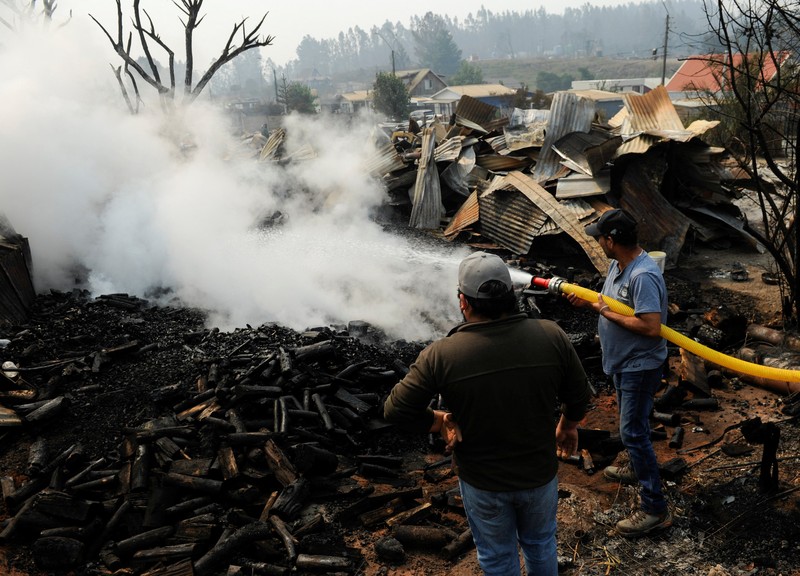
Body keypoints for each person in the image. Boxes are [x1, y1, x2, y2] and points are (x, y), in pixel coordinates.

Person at [383, 251, 590, 576]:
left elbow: (396, 409)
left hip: (483, 483)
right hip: (538, 476)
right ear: (512, 294)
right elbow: (579, 396)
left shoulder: (443, 354)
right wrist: (567, 426)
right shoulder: (552, 336)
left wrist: (438, 422)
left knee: (496, 556)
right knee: (540, 544)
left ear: (463, 301)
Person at [566, 208, 672, 537]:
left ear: (611, 241)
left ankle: (654, 508)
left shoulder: (643, 276)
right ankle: (636, 468)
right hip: (622, 363)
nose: (598, 241)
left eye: (600, 237)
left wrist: (606, 313)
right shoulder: (617, 265)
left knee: (634, 433)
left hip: (640, 367)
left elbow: (652, 326)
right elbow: (608, 301)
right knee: (633, 426)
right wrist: (590, 302)